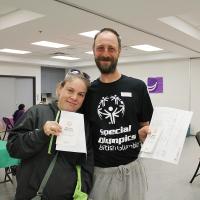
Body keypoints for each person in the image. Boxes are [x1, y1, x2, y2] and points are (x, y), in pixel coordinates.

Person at [85, 28, 153, 200]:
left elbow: (146, 127)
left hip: (132, 171)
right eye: (100, 48)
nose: (105, 53)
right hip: (100, 175)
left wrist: (145, 134)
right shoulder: (88, 92)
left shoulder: (137, 87)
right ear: (93, 51)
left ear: (119, 52)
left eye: (111, 48)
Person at [7, 69, 93, 200]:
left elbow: (87, 163)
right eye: (70, 90)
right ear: (59, 89)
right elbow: (13, 148)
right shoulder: (36, 113)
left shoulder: (83, 124)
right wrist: (41, 134)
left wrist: (83, 190)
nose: (75, 97)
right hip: (32, 195)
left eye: (81, 94)